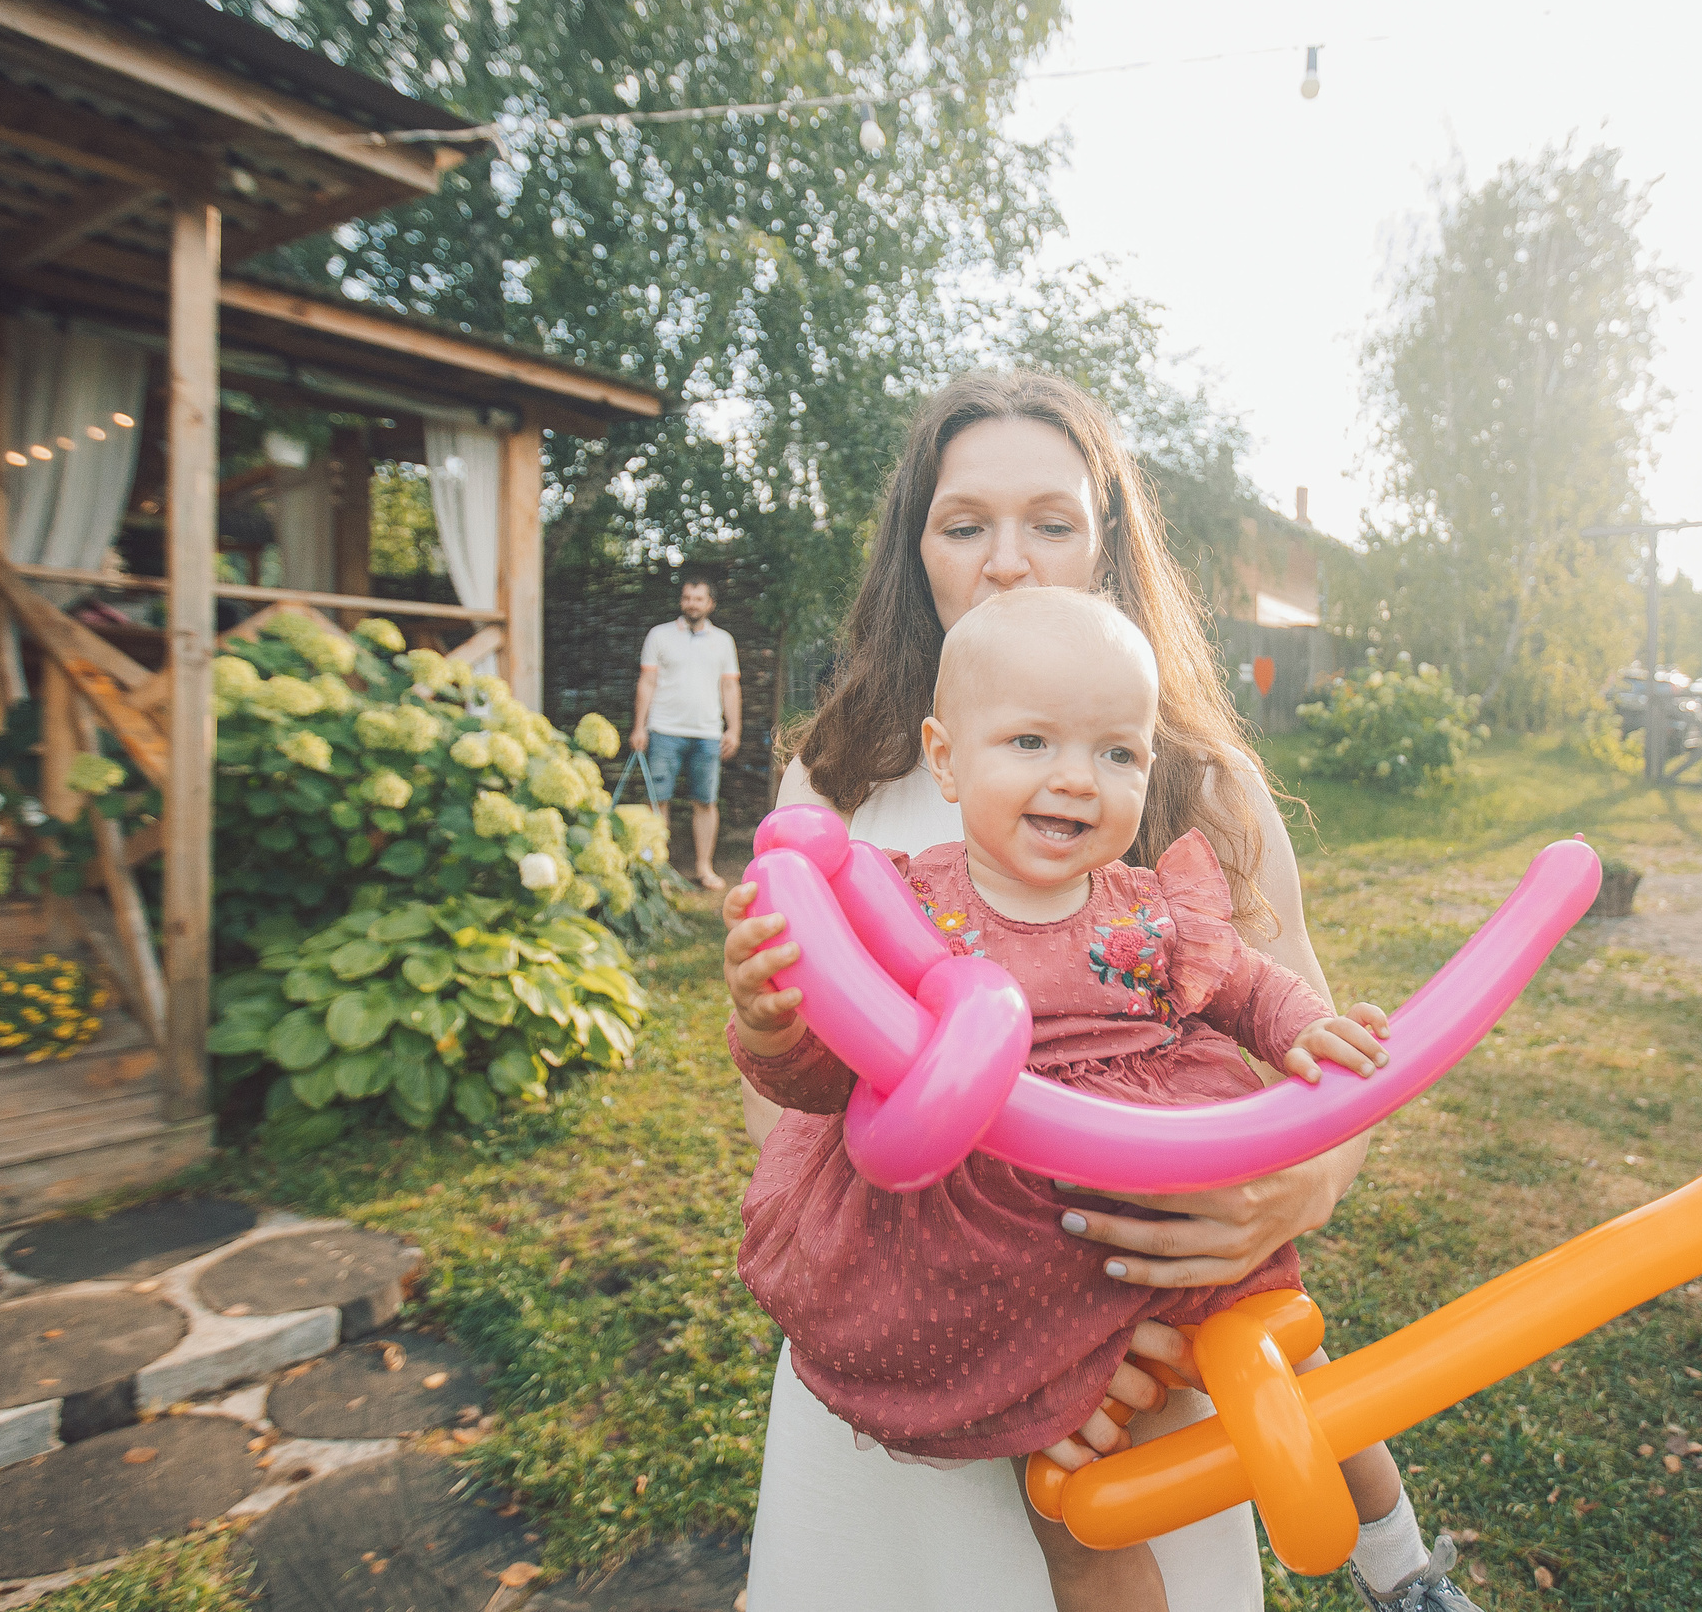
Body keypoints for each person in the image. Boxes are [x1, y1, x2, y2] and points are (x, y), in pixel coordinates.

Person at [722, 369, 1481, 1612]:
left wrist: (1294, 1185)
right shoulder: (842, 791)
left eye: (1051, 522)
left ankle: (1400, 1570)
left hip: (1154, 1348)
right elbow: (797, 1108)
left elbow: (1316, 1041)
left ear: (1109, 540)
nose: (1007, 562)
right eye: (963, 524)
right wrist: (1003, 1295)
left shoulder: (1195, 785)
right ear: (914, 552)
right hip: (922, 1313)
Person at [632, 575, 739, 890]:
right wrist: (639, 726)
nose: (691, 603)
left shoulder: (723, 640)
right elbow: (647, 682)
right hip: (664, 730)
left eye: (698, 598)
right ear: (682, 601)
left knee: (705, 802)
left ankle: (704, 868)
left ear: (710, 604)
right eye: (687, 598)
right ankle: (657, 869)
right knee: (658, 800)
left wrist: (733, 729)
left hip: (707, 733)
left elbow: (730, 686)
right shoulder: (659, 635)